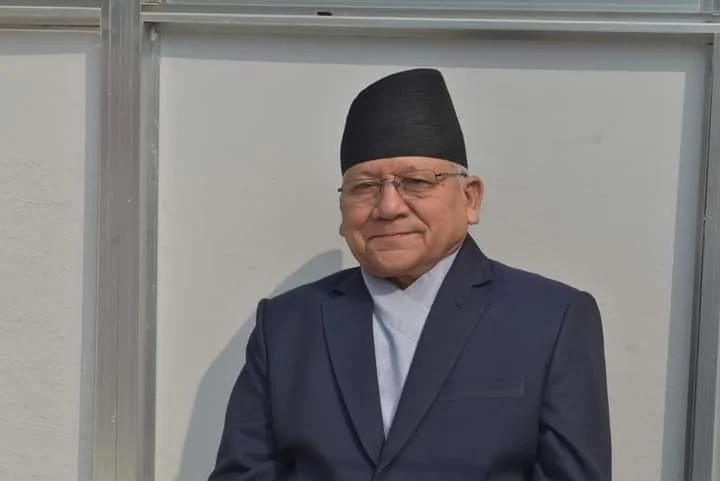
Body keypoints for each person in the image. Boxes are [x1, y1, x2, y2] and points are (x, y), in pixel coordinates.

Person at [209, 68, 611, 481]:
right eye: (364, 187)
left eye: (416, 182)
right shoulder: (288, 325)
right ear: (342, 210)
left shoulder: (549, 319)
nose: (388, 207)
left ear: (470, 199)